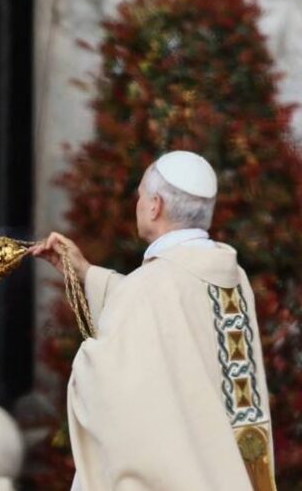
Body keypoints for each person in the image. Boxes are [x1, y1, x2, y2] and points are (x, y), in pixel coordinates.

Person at [31, 151, 275, 491]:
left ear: (155, 206)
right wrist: (85, 273)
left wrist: (87, 360)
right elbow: (166, 317)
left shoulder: (149, 287)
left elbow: (108, 387)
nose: (139, 203)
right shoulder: (231, 277)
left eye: (141, 195)